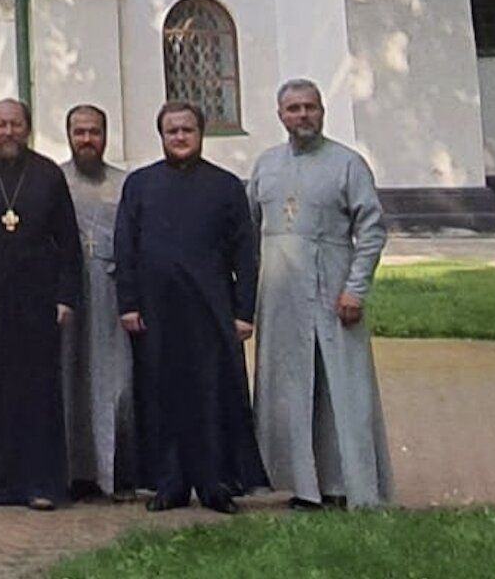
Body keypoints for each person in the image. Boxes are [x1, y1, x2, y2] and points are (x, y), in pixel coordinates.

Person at [117, 102, 266, 514]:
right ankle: (169, 483)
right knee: (161, 395)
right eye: (172, 131)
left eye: (187, 130)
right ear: (161, 136)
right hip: (156, 311)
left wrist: (243, 311)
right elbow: (124, 246)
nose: (180, 137)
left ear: (201, 134)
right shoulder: (140, 184)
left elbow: (245, 254)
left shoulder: (226, 186)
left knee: (212, 396)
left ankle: (216, 482)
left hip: (211, 310)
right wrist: (127, 303)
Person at [249, 80, 391, 509]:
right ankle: (303, 486)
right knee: (290, 388)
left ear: (322, 111)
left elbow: (371, 230)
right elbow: (248, 226)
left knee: (340, 388)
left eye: (310, 107)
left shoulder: (348, 164)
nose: (302, 115)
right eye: (293, 109)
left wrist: (355, 287)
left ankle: (348, 484)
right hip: (279, 295)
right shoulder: (266, 165)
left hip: (333, 289)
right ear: (280, 116)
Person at [0, 98, 81, 510]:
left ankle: (41, 483)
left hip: (38, 297)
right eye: (1, 124)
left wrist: (65, 295)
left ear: (28, 128)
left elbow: (67, 242)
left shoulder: (47, 175)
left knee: (38, 390)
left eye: (16, 124)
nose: (8, 132)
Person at [61, 104, 139, 504]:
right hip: (68, 296)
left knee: (116, 382)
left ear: (105, 136)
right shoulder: (55, 180)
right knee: (71, 380)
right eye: (79, 132)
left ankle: (115, 473)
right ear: (68, 135)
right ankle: (76, 473)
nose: (86, 139)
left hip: (111, 292)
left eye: (94, 131)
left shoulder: (125, 184)